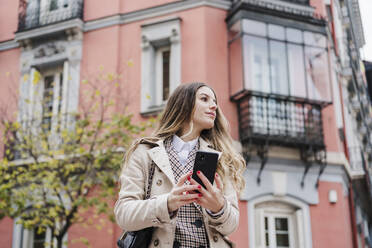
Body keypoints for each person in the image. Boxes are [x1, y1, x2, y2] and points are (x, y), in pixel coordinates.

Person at [114, 82, 245, 248]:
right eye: (204, 99)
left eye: (214, 101)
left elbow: (231, 226)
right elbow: (124, 214)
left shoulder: (220, 158)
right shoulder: (145, 152)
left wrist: (219, 207)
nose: (214, 106)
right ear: (184, 104)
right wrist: (167, 203)